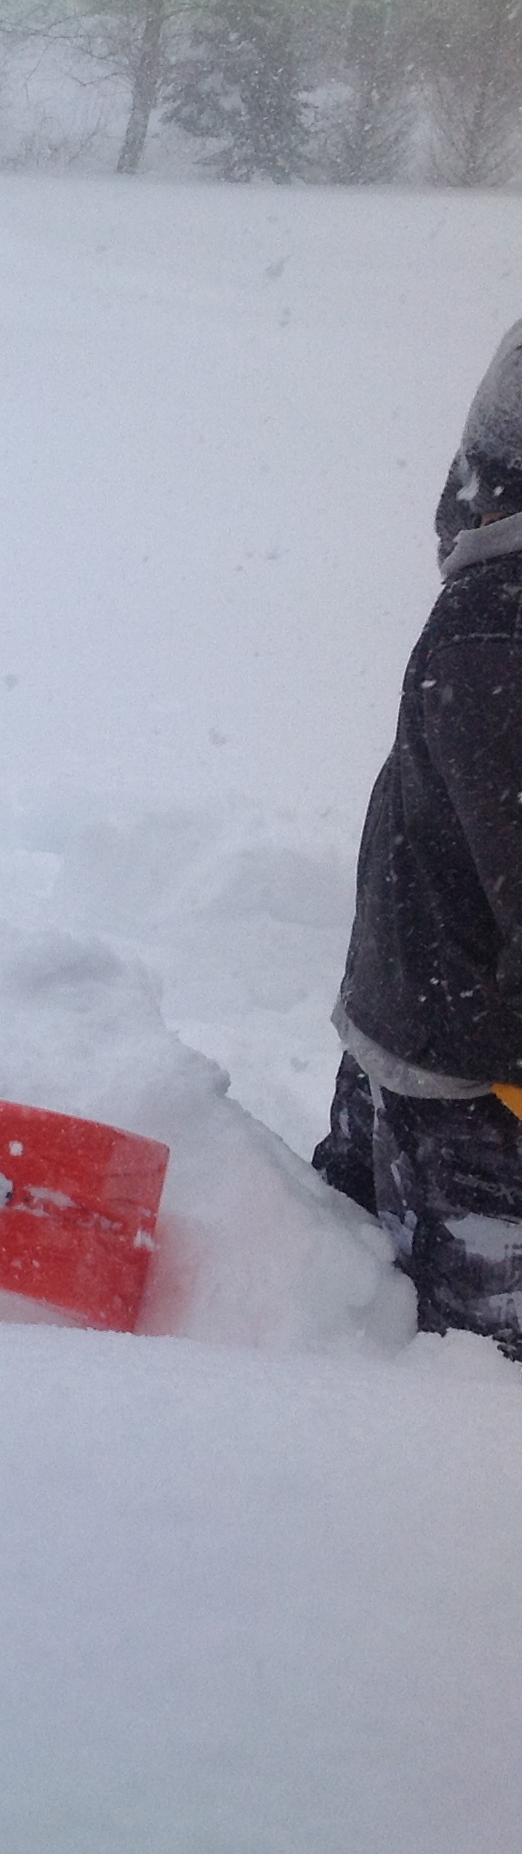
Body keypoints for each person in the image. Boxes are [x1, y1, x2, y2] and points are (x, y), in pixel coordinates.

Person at [313, 319, 522, 1359]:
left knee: (344, 1287)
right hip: (475, 1093)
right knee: (470, 1371)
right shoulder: (503, 628)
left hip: (423, 1030)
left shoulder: (488, 611)